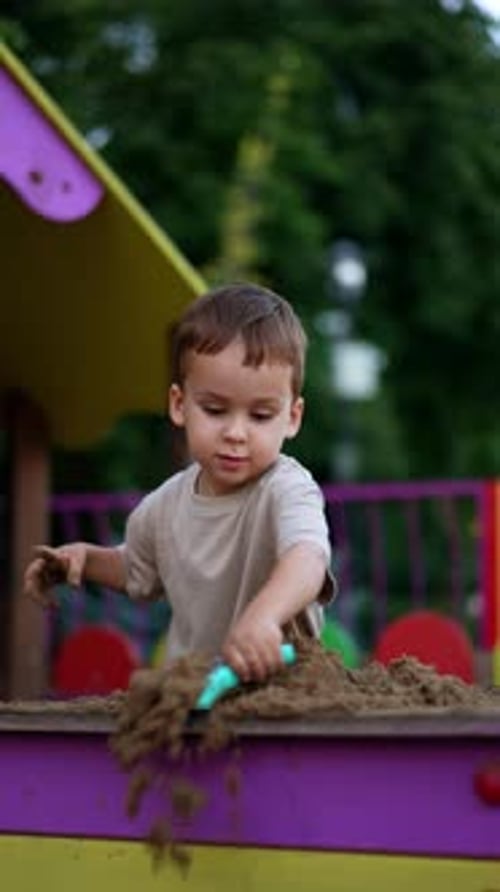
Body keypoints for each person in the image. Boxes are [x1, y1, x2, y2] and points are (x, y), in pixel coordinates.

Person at [24, 283, 335, 682]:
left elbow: (307, 559)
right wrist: (85, 559)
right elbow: (136, 568)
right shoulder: (164, 505)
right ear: (179, 405)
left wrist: (264, 618)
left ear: (292, 417)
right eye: (215, 409)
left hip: (282, 690)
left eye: (260, 416)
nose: (236, 432)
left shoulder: (287, 488)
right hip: (192, 693)